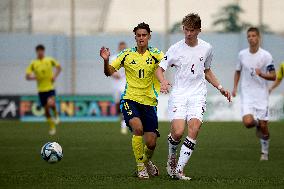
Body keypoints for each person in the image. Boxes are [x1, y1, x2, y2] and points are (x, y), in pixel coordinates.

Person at [156, 13, 231, 180]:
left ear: (199, 30)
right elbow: (159, 69)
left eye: (191, 30)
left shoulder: (207, 48)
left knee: (194, 127)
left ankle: (179, 170)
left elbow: (206, 71)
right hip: (179, 95)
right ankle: (172, 156)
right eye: (185, 29)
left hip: (198, 94)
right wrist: (162, 82)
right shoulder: (175, 48)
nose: (188, 33)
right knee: (177, 132)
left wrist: (220, 87)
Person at [100, 23, 164, 179]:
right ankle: (141, 168)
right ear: (135, 37)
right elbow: (108, 72)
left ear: (149, 36)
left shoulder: (156, 54)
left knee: (151, 143)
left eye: (144, 35)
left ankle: (147, 162)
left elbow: (168, 64)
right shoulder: (126, 54)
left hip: (149, 102)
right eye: (138, 35)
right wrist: (106, 60)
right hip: (130, 99)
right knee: (137, 128)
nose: (141, 38)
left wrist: (165, 81)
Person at [232, 27, 276, 161]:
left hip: (261, 95)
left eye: (253, 36)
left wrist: (262, 74)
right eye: (249, 36)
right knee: (247, 122)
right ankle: (256, 124)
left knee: (264, 127)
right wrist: (234, 87)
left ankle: (264, 152)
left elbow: (273, 76)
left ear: (258, 38)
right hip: (247, 94)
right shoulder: (242, 54)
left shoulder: (266, 56)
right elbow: (238, 71)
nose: (251, 38)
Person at [26, 44, 61, 135]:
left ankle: (56, 116)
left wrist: (55, 76)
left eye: (41, 50)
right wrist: (34, 77)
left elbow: (59, 68)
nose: (40, 52)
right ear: (36, 52)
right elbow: (27, 76)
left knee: (51, 103)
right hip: (41, 90)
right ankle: (52, 127)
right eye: (38, 51)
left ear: (43, 51)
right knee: (46, 111)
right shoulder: (33, 63)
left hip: (50, 87)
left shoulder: (49, 60)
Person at [109, 41, 128, 134]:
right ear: (119, 48)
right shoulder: (113, 58)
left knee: (124, 102)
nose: (123, 49)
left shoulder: (129, 58)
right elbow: (109, 70)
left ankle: (124, 123)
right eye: (121, 47)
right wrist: (113, 73)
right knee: (117, 104)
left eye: (124, 47)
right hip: (115, 84)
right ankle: (121, 117)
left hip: (125, 83)